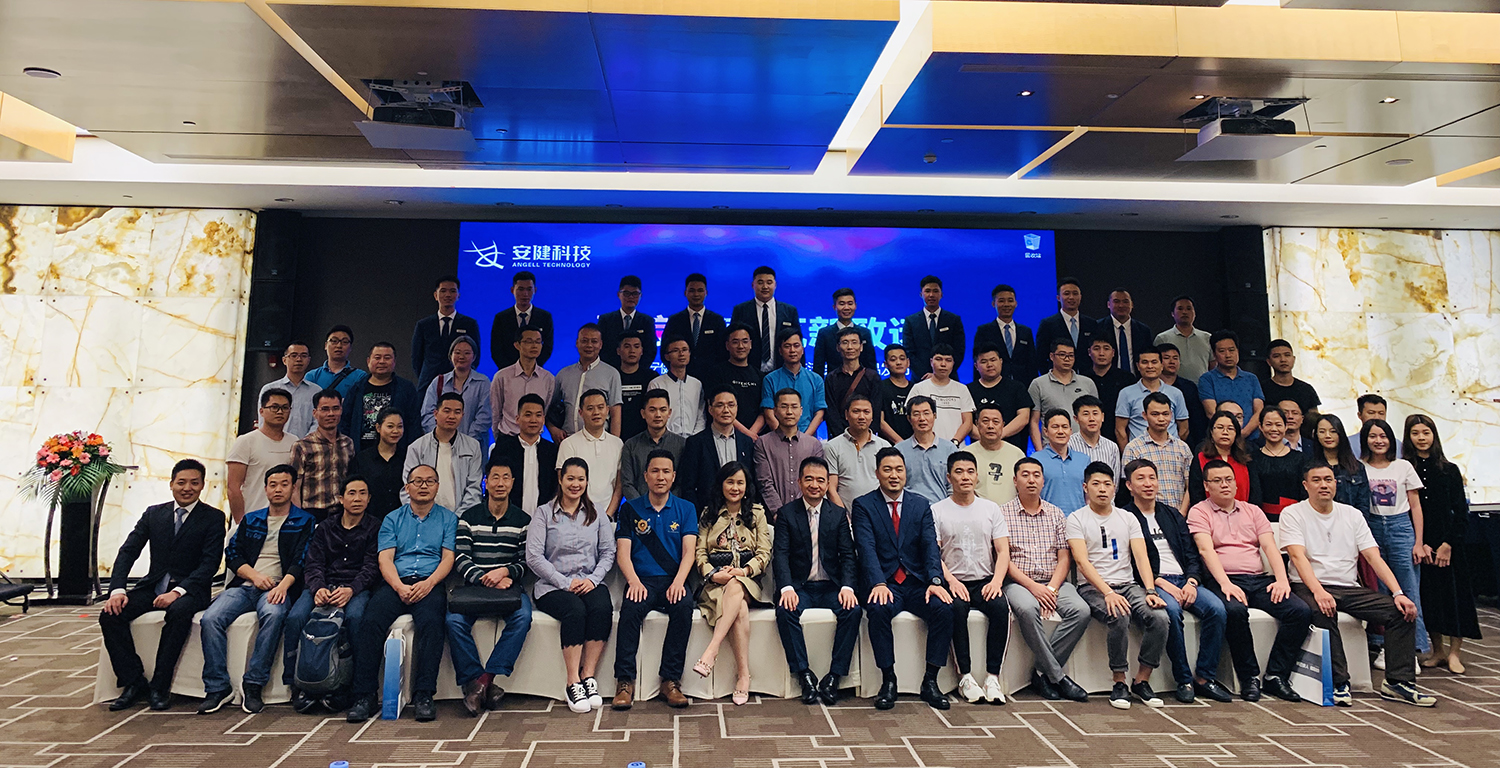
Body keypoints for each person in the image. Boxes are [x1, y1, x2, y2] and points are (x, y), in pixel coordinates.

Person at [1280, 464, 1437, 707]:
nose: (1324, 485)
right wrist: (1319, 591)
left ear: (1336, 483)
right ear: (1306, 485)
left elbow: (1373, 557)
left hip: (1348, 586)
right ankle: (1339, 682)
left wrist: (1398, 593)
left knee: (1400, 612)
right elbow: (1297, 557)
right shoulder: (1293, 513)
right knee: (1323, 610)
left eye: (1328, 479)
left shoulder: (1352, 514)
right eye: (1317, 480)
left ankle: (1398, 683)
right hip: (1308, 585)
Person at [100, 460, 226, 712]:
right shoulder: (153, 514)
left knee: (178, 613)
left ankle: (159, 686)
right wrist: (117, 590)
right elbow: (128, 551)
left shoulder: (213, 517)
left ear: (203, 485)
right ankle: (133, 682)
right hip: (154, 586)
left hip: (190, 590)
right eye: (181, 482)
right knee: (110, 615)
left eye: (194, 483)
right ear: (171, 484)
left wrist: (177, 592)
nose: (187, 488)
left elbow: (209, 564)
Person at [1188, 459, 1311, 702]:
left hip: (1258, 579)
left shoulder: (1253, 511)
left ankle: (1276, 676)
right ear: (1206, 486)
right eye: (1217, 481)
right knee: (1234, 611)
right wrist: (1225, 583)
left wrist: (1282, 580)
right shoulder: (1199, 511)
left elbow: (1270, 547)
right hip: (1223, 580)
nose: (1225, 485)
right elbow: (1205, 550)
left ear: (1236, 484)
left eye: (1229, 480)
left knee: (1299, 611)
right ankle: (1249, 677)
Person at [198, 465, 316, 715]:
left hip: (279, 586)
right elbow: (232, 553)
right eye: (273, 485)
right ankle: (217, 687)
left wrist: (282, 586)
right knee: (210, 618)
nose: (278, 489)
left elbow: (302, 558)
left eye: (284, 484)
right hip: (245, 585)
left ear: (293, 487)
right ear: (265, 489)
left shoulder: (304, 520)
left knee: (274, 615)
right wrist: (255, 576)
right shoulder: (252, 519)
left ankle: (254, 684)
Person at [346, 464, 459, 723]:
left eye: (429, 481)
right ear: (407, 487)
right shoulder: (392, 519)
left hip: (430, 583)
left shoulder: (448, 519)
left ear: (437, 487)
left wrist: (428, 584)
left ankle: (424, 694)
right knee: (370, 621)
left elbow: (448, 558)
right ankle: (364, 695)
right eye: (417, 481)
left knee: (433, 624)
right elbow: (385, 558)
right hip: (396, 582)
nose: (423, 486)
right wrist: (398, 586)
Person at [852, 447, 954, 710]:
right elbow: (866, 548)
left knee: (944, 608)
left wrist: (935, 581)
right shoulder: (863, 505)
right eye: (887, 469)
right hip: (885, 582)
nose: (894, 475)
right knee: (877, 608)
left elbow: (930, 546)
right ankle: (888, 679)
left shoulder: (920, 504)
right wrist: (878, 582)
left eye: (899, 470)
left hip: (917, 582)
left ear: (906, 473)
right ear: (877, 473)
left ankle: (931, 680)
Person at [1121, 459, 1230, 704]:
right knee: (1170, 611)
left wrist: (1192, 581)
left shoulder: (1171, 514)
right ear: (1129, 485)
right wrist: (1161, 583)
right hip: (1155, 583)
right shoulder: (1125, 517)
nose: (1148, 484)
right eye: (1141, 479)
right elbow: (1133, 563)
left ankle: (1205, 677)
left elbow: (1191, 554)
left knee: (1217, 609)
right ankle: (1184, 679)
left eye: (1152, 478)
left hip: (1184, 579)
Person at [1067, 461, 1169, 709]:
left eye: (1107, 484)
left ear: (1115, 488)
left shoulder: (1127, 517)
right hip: (1093, 588)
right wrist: (1108, 592)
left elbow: (1141, 557)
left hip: (1128, 585)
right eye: (1096, 484)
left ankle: (1142, 680)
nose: (1102, 489)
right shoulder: (1076, 518)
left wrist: (1150, 590)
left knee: (1160, 617)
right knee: (1119, 613)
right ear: (1085, 487)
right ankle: (1119, 681)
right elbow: (1081, 562)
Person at [283, 476, 380, 713]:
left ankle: (351, 686)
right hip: (323, 585)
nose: (357, 498)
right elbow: (313, 563)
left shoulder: (375, 527)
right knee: (295, 618)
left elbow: (371, 567)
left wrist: (351, 589)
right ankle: (297, 684)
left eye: (363, 493)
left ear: (369, 499)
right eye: (352, 493)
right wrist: (318, 588)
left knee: (355, 619)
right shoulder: (325, 527)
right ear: (341, 498)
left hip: (356, 588)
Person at [527, 457, 617, 712]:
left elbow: (608, 552)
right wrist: (564, 583)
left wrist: (592, 580)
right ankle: (572, 681)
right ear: (560, 479)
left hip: (589, 581)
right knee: (575, 610)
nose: (575, 484)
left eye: (580, 479)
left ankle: (588, 676)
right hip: (552, 586)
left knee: (601, 607)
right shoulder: (544, 513)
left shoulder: (597, 513)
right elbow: (533, 556)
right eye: (570, 478)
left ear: (587, 482)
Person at [612, 450, 699, 710]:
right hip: (642, 581)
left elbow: (689, 552)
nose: (660, 477)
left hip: (674, 580)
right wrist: (634, 582)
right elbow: (622, 553)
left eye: (666, 472)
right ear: (646, 476)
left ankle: (670, 681)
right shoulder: (630, 509)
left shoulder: (686, 508)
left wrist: (679, 582)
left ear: (673, 476)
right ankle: (624, 682)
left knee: (683, 607)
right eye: (655, 471)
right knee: (630, 610)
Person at [446, 458, 533, 716]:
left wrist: (505, 572)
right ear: (486, 482)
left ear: (512, 483)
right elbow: (461, 559)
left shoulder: (523, 520)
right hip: (474, 588)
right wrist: (486, 577)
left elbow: (525, 561)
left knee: (523, 617)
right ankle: (478, 681)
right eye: (495, 477)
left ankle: (484, 680)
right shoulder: (469, 518)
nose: (500, 483)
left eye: (506, 477)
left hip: (508, 588)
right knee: (453, 621)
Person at [773, 456, 862, 706]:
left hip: (831, 586)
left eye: (821, 480)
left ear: (827, 484)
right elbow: (780, 554)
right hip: (800, 587)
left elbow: (848, 555)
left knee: (853, 610)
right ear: (799, 482)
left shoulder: (838, 514)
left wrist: (847, 586)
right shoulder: (787, 514)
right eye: (809, 479)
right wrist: (786, 587)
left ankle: (835, 676)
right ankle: (804, 675)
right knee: (785, 610)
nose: (815, 485)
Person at [1001, 457, 1091, 702]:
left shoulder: (1056, 513)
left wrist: (1051, 588)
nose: (1031, 480)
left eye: (1036, 475)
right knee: (1028, 609)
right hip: (1019, 583)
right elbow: (1003, 560)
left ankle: (1041, 672)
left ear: (1043, 481)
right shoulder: (1001, 513)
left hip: (1054, 581)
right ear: (1015, 480)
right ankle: (1059, 677)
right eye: (1025, 475)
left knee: (1081, 610)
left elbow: (1064, 558)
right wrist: (1034, 588)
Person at [932, 451, 1011, 704]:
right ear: (949, 477)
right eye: (959, 472)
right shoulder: (937, 510)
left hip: (985, 579)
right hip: (953, 580)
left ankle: (993, 677)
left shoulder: (990, 508)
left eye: (970, 472)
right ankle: (965, 676)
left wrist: (996, 582)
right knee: (955, 610)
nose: (965, 477)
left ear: (977, 476)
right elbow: (934, 554)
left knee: (1001, 608)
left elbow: (1002, 550)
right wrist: (951, 581)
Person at [1405, 415, 1480, 674]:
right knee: (1430, 598)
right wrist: (1421, 543)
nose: (1421, 438)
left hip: (1450, 544)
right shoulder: (1406, 468)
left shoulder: (1449, 469)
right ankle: (1437, 651)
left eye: (1426, 432)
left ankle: (1455, 653)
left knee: (1455, 598)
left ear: (1434, 435)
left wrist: (1449, 543)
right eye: (1415, 433)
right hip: (1421, 545)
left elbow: (1460, 511)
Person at [693, 462, 771, 706]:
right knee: (740, 610)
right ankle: (744, 676)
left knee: (737, 584)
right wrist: (713, 574)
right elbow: (699, 552)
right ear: (721, 485)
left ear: (747, 486)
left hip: (748, 581)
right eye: (730, 482)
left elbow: (764, 552)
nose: (735, 488)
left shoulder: (757, 513)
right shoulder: (709, 514)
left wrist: (743, 571)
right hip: (715, 584)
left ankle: (712, 650)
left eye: (740, 483)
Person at [1361, 417, 1432, 664]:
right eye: (1372, 436)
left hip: (1401, 527)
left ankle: (1411, 650)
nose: (1378, 441)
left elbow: (1416, 506)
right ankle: (1383, 646)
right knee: (1380, 589)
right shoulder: (1360, 467)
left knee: (1408, 588)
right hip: (1371, 526)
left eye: (1383, 436)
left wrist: (1418, 542)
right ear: (1365, 440)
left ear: (1391, 439)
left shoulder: (1403, 466)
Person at [402, 393, 485, 514]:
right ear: (435, 414)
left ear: (462, 415)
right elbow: (408, 487)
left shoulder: (472, 446)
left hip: (460, 517)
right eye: (447, 411)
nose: (452, 416)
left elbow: (474, 488)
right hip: (423, 517)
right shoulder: (417, 447)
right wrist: (420, 516)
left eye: (457, 412)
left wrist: (458, 518)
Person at [679, 385, 756, 511]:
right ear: (710, 409)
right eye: (720, 405)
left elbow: (751, 482)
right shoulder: (696, 442)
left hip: (741, 513)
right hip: (707, 512)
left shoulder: (746, 442)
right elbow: (688, 486)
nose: (726, 410)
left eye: (731, 405)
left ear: (737, 408)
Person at [228, 389, 298, 524]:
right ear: (261, 411)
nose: (280, 412)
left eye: (285, 408)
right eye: (274, 407)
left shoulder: (294, 441)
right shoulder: (246, 441)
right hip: (252, 518)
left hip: (284, 521)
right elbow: (233, 487)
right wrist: (241, 523)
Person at [339, 342, 422, 453]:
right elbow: (345, 422)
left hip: (397, 454)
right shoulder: (356, 388)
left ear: (394, 362)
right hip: (361, 453)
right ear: (368, 361)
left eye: (387, 358)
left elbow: (414, 423)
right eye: (377, 357)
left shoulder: (406, 388)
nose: (382, 362)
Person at [754, 388, 826, 512]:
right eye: (784, 407)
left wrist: (801, 512)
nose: (789, 412)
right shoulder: (763, 443)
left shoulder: (814, 444)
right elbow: (764, 483)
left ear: (801, 411)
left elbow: (815, 483)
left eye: (794, 407)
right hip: (774, 515)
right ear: (775, 411)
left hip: (806, 514)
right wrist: (780, 513)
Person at [556, 389, 625, 517]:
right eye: (590, 408)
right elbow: (564, 483)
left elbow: (619, 486)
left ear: (607, 410)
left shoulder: (617, 444)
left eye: (600, 407)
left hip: (608, 516)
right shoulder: (568, 444)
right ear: (580, 413)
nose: (596, 412)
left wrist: (607, 515)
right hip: (575, 516)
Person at [290, 389, 356, 522]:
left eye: (335, 408)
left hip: (342, 512)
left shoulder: (348, 443)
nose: (331, 414)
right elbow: (294, 487)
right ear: (315, 413)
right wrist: (299, 520)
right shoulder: (302, 446)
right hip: (313, 512)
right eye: (325, 409)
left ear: (341, 410)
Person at [1123, 393, 1195, 514]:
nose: (1161, 419)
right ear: (1144, 415)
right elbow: (1130, 488)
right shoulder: (1133, 448)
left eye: (1165, 414)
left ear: (1171, 415)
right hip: (1146, 515)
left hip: (1178, 514)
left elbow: (1190, 485)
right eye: (1155, 414)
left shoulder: (1183, 448)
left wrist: (1181, 514)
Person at [488, 393, 558, 515]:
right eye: (528, 415)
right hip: (509, 517)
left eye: (538, 415)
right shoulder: (503, 448)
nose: (533, 420)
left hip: (544, 518)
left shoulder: (552, 451)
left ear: (543, 419)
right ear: (517, 419)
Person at [411, 275, 481, 392]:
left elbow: (475, 354)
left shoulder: (469, 324)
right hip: (429, 381)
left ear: (458, 295)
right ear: (435, 295)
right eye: (443, 291)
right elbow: (416, 357)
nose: (448, 295)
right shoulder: (424, 325)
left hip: (459, 382)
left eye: (452, 291)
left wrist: (465, 374)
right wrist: (425, 374)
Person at [555, 324, 624, 438]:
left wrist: (614, 442)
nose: (589, 345)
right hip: (568, 439)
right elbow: (550, 408)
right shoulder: (563, 374)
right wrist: (553, 430)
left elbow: (615, 413)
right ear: (577, 343)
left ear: (600, 344)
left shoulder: (611, 374)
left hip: (599, 441)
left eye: (594, 341)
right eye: (584, 341)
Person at [420, 336, 491, 447]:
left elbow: (485, 416)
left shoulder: (483, 382)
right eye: (457, 352)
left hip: (473, 446)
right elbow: (427, 413)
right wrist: (441, 437)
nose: (461, 356)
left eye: (467, 353)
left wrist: (465, 441)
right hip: (440, 445)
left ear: (474, 357)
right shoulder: (438, 382)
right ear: (450, 355)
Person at [490, 327, 559, 440]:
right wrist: (498, 439)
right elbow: (495, 412)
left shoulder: (548, 378)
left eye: (538, 342)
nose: (534, 346)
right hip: (508, 437)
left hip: (535, 439)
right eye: (529, 341)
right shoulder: (502, 376)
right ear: (517, 345)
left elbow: (545, 411)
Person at [1028, 339, 1098, 449]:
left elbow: (1096, 417)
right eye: (1062, 355)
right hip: (1052, 448)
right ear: (1052, 356)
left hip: (1084, 447)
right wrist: (1039, 452)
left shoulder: (1087, 383)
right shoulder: (1038, 384)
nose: (1067, 359)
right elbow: (1034, 421)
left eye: (1071, 355)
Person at [731, 265, 800, 375]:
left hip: (781, 371)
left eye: (769, 282)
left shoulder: (789, 311)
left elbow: (798, 341)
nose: (765, 286)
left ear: (775, 285)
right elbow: (732, 341)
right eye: (760, 282)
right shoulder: (741, 310)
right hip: (749, 371)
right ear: (753, 285)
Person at [824, 394, 891, 509]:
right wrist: (842, 516)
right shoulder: (832, 446)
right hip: (845, 513)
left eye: (866, 412)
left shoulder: (884, 446)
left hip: (878, 513)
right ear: (846, 415)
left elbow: (888, 484)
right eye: (856, 411)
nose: (861, 417)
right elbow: (831, 488)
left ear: (872, 416)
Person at [621, 389, 688, 500]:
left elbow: (682, 483)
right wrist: (641, 506)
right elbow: (627, 483)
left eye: (663, 410)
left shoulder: (682, 444)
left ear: (669, 413)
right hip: (639, 508)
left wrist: (667, 505)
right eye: (652, 410)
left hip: (672, 507)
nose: (658, 415)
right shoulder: (631, 445)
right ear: (643, 413)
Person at [1116, 346, 1189, 445]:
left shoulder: (1176, 393)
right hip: (1139, 450)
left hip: (1170, 449)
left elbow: (1184, 428)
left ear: (1161, 365)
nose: (1150, 366)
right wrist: (1128, 453)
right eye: (1145, 362)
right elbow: (1120, 430)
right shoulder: (1126, 393)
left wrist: (1174, 447)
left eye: (1154, 362)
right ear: (1138, 366)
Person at [1198, 330, 1265, 436]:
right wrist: (1231, 433)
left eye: (1231, 350)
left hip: (1252, 438)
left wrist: (1244, 433)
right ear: (1214, 355)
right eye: (1222, 351)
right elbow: (1211, 413)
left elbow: (1259, 411)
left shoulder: (1251, 378)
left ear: (1237, 351)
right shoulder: (1207, 379)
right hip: (1222, 437)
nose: (1228, 355)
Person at [760, 328, 825, 436]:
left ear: (802, 349)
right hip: (778, 439)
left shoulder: (816, 379)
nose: (792, 350)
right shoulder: (770, 379)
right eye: (787, 346)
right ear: (780, 351)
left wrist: (804, 439)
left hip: (808, 439)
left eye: (796, 345)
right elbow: (769, 414)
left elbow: (819, 414)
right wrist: (785, 437)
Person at [664, 272, 727, 381]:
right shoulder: (675, 320)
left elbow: (723, 351)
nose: (696, 294)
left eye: (700, 290)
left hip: (711, 377)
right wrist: (675, 373)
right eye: (692, 290)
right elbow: (665, 349)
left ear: (706, 292)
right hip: (681, 377)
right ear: (685, 293)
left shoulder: (717, 320)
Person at [902, 275, 966, 382]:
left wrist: (941, 373)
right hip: (920, 379)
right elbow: (909, 352)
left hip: (948, 378)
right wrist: (926, 374)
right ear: (921, 294)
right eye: (927, 291)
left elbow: (959, 350)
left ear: (941, 294)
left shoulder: (953, 320)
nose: (931, 295)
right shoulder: (911, 321)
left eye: (935, 291)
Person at [968, 344, 1030, 452]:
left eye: (993, 360)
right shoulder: (968, 390)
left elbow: (1024, 417)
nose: (989, 365)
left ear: (1001, 361)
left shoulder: (1017, 387)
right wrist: (986, 439)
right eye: (984, 361)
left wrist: (998, 435)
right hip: (978, 450)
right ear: (976, 366)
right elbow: (967, 421)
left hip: (1011, 449)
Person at [708, 323, 765, 439]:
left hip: (756, 437)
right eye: (735, 342)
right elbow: (715, 406)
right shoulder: (717, 372)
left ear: (751, 344)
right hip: (725, 434)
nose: (740, 346)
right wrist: (746, 433)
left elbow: (764, 410)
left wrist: (752, 434)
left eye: (745, 341)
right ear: (727, 345)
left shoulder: (760, 375)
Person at [909, 343, 975, 444]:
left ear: (953, 363)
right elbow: (912, 418)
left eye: (948, 360)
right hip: (926, 446)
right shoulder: (919, 388)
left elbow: (968, 422)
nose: (943, 364)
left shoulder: (962, 389)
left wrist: (955, 442)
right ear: (931, 362)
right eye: (939, 359)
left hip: (956, 447)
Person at [1247, 406, 1305, 520]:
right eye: (1269, 424)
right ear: (1261, 427)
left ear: (1285, 426)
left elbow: (1304, 492)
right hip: (1262, 518)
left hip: (1295, 517)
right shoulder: (1252, 458)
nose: (1274, 429)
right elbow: (1254, 494)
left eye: (1278, 425)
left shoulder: (1300, 458)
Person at [823, 326, 882, 439]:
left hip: (867, 438)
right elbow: (831, 412)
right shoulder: (832, 378)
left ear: (861, 347)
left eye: (854, 342)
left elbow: (876, 410)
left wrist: (868, 436)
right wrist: (844, 437)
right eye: (845, 343)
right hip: (839, 439)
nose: (850, 347)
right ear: (838, 347)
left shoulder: (872, 377)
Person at [489, 270, 554, 371]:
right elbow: (496, 349)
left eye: (529, 289)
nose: (525, 294)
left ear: (535, 290)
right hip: (507, 373)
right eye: (521, 289)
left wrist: (531, 367)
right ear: (512, 290)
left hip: (535, 372)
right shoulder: (501, 318)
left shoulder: (545, 317)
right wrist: (511, 371)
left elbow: (547, 347)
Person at [897, 396, 957, 503]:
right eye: (916, 414)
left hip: (941, 507)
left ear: (934, 416)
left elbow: (954, 484)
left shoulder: (950, 449)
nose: (922, 418)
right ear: (909, 418)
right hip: (910, 508)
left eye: (926, 413)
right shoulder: (899, 450)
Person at [973, 283, 1036, 383]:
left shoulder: (1025, 332)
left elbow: (1032, 363)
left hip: (1022, 385)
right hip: (994, 384)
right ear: (993, 304)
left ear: (1016, 303)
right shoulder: (984, 331)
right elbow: (978, 360)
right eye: (1001, 301)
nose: (1006, 304)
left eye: (1010, 300)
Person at [1311, 413, 1373, 514]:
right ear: (1316, 434)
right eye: (1322, 431)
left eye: (1333, 431)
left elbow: (1363, 504)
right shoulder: (1310, 467)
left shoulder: (1356, 467)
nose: (1328, 435)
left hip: (1351, 521)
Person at [1187, 411, 1253, 506]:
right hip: (1208, 512)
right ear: (1211, 431)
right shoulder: (1201, 457)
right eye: (1220, 427)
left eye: (1230, 428)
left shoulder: (1245, 458)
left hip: (1243, 511)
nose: (1225, 432)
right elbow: (1195, 492)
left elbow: (1255, 493)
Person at [351, 407, 406, 518]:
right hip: (369, 520)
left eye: (399, 426)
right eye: (390, 426)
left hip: (400, 518)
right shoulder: (363, 459)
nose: (395, 431)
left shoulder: (407, 457)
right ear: (378, 428)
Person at [1035, 277, 1094, 376]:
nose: (1071, 297)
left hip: (1087, 377)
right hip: (1058, 378)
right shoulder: (1047, 324)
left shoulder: (1091, 324)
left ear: (1080, 296)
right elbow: (1040, 356)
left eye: (1075, 293)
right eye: (1066, 294)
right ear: (1058, 298)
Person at [967, 405, 1025, 506]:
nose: (990, 426)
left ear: (1003, 425)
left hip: (1011, 512)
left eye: (996, 422)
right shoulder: (966, 454)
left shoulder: (1017, 454)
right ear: (977, 424)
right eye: (985, 421)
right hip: (976, 511)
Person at [812, 287, 877, 377]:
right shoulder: (824, 333)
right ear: (834, 307)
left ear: (855, 306)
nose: (846, 308)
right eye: (842, 304)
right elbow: (818, 366)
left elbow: (871, 365)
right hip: (834, 382)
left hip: (861, 382)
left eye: (850, 303)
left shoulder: (864, 333)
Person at [599, 275, 658, 369]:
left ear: (640, 296)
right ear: (619, 294)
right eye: (626, 293)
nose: (631, 297)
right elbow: (601, 348)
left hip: (638, 372)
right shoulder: (606, 320)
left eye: (635, 294)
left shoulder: (647, 321)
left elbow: (650, 350)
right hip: (610, 371)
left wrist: (636, 370)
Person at [260, 341, 318, 437]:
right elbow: (263, 421)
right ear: (284, 360)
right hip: (275, 442)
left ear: (308, 360)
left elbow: (318, 422)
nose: (299, 359)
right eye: (294, 355)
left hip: (306, 444)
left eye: (303, 356)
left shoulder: (316, 391)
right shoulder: (269, 389)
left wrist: (305, 442)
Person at [650, 336, 705, 436]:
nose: (681, 354)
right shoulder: (657, 384)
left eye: (685, 350)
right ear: (667, 356)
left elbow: (701, 415)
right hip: (666, 439)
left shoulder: (697, 384)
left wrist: (695, 438)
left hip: (693, 439)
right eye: (676, 350)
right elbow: (653, 415)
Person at [1035, 409, 1086, 513]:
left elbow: (1088, 496)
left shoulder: (1084, 460)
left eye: (1064, 427)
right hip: (1047, 519)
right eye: (1055, 427)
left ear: (1070, 431)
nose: (1060, 431)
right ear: (1045, 431)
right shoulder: (1035, 460)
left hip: (1078, 519)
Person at [1094, 289, 1154, 377]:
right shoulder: (1097, 327)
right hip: (1107, 378)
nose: (1121, 305)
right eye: (1116, 301)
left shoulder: (1143, 330)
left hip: (1137, 378)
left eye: (1125, 301)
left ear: (1132, 304)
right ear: (1108, 304)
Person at [1153, 296, 1212, 384]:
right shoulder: (1163, 338)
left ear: (1194, 313)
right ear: (1172, 313)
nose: (1185, 312)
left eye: (1189, 308)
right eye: (1180, 309)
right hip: (1172, 386)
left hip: (1202, 386)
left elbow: (1213, 365)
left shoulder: (1207, 337)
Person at [1159, 343, 1207, 448]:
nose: (1172, 362)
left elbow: (1197, 419)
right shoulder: (1152, 386)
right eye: (1166, 358)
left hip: (1186, 442)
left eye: (1175, 358)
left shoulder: (1189, 387)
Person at [1068, 394, 1121, 481]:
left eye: (1095, 413)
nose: (1091, 419)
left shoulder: (1112, 447)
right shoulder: (1068, 445)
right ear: (1076, 419)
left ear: (1102, 417)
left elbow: (1114, 482)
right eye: (1086, 414)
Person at [1261, 339, 1321, 416]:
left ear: (1294, 359)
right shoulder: (1262, 389)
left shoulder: (1306, 389)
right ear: (1269, 362)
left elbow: (1314, 418)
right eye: (1276, 356)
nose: (1283, 360)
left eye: (1287, 355)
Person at [306, 325, 368, 399]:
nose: (339, 346)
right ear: (326, 345)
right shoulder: (312, 376)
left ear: (350, 347)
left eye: (344, 342)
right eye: (334, 341)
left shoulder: (360, 377)